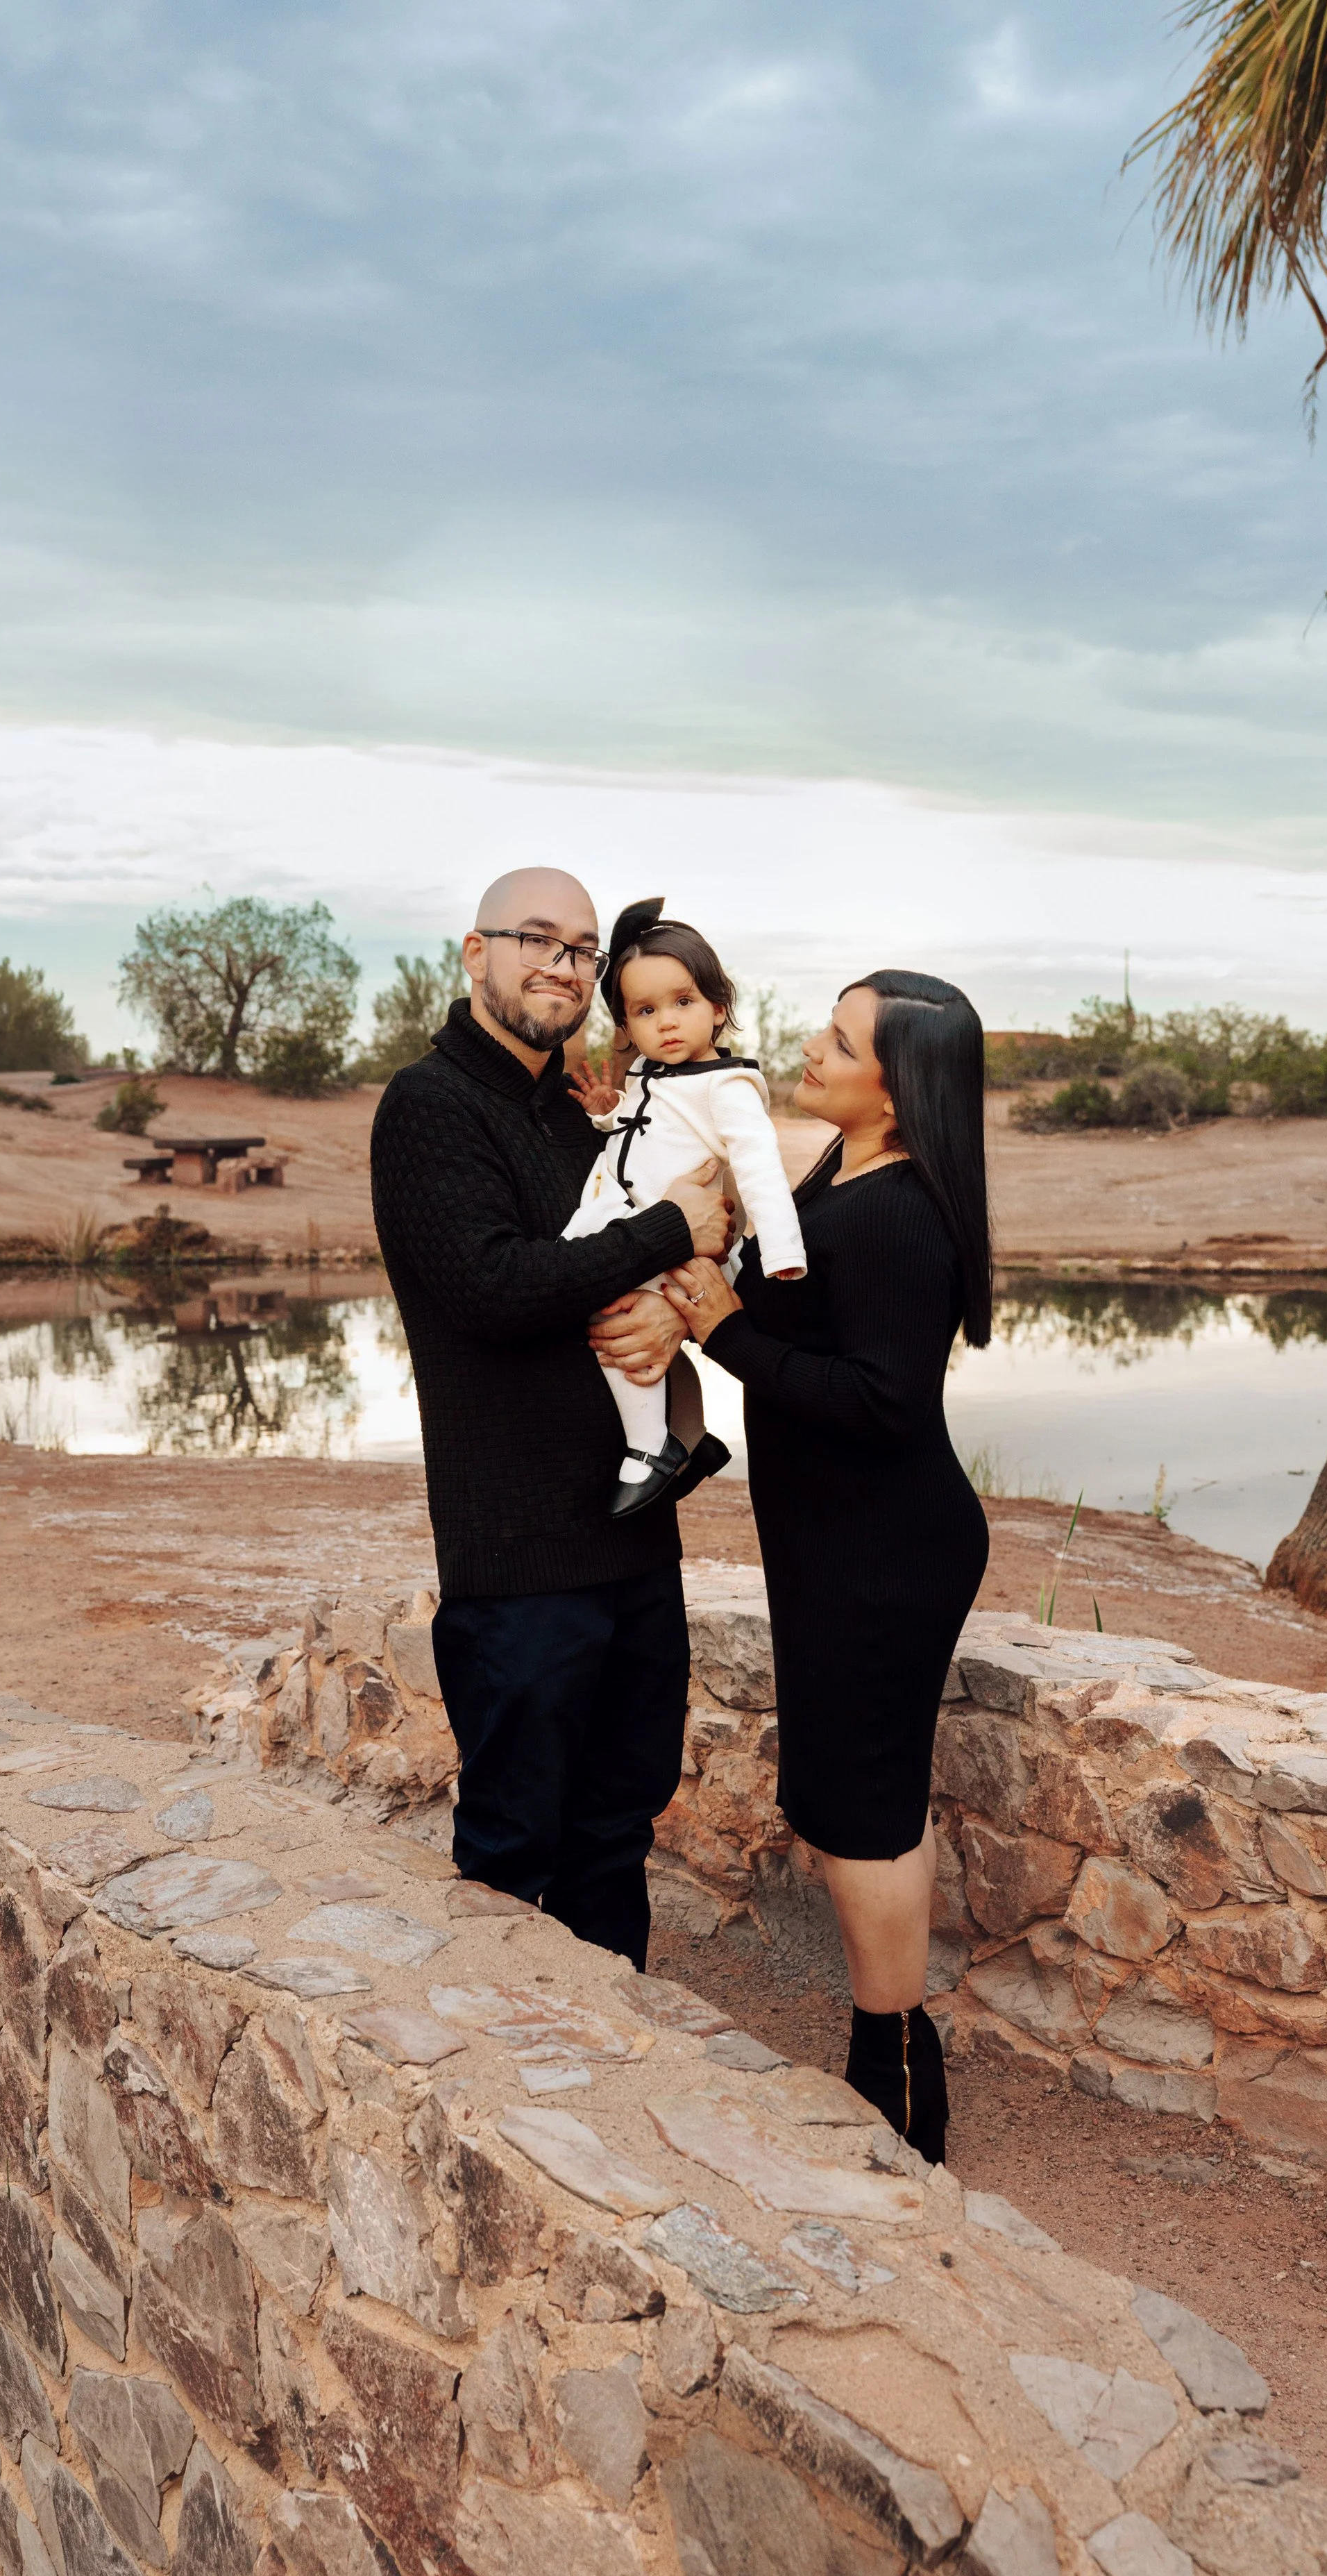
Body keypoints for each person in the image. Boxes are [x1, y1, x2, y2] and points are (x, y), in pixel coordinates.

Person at [369, 866, 732, 1967]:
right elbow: (496, 1286)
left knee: (618, 1833)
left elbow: (654, 1265)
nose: (561, 965)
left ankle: (609, 2077)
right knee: (515, 1849)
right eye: (535, 938)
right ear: (474, 954)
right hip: (519, 1557)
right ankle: (507, 2100)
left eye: (581, 949)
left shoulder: (589, 1118)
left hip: (631, 1533)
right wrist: (669, 1229)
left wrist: (674, 1318)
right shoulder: (429, 1107)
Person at [661, 970, 992, 2164]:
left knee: (867, 1817)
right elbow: (792, 1309)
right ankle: (888, 2056)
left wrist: (725, 1334)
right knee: (857, 1805)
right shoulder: (837, 1178)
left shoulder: (901, 1213)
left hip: (885, 1550)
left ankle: (898, 2078)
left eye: (839, 1039)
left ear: (898, 1091)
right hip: (842, 1546)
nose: (811, 1045)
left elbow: (885, 1401)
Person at [565, 897, 806, 1515]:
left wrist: (781, 1250)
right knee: (618, 1318)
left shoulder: (728, 1087)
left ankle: (650, 1447)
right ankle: (693, 1439)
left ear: (718, 1008)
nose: (667, 1022)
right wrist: (607, 1113)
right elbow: (650, 1133)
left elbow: (758, 1170)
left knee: (616, 1326)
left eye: (683, 1002)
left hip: (670, 1240)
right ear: (626, 1025)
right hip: (634, 1220)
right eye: (646, 1011)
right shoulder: (651, 1072)